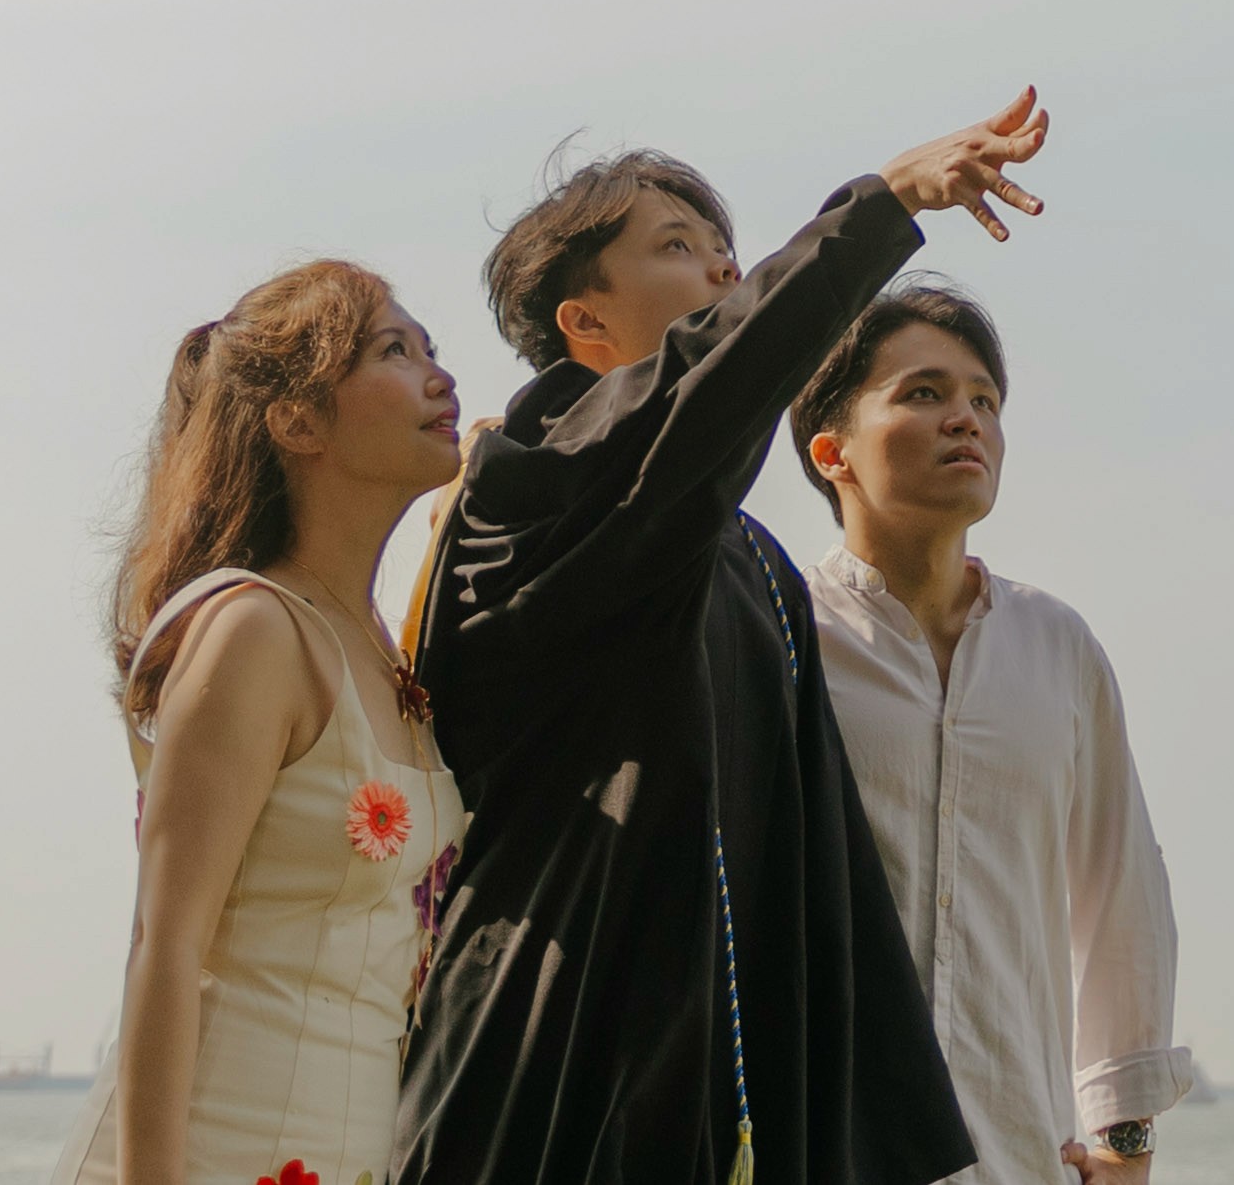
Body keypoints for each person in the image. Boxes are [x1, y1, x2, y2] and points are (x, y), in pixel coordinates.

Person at [398, 95, 1050, 1185]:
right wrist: (883, 207)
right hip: (548, 1064)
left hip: (722, 1102)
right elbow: (701, 397)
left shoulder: (751, 562)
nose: (719, 276)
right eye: (678, 248)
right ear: (585, 324)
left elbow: (815, 871)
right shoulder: (528, 484)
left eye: (726, 252)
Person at [61, 261, 468, 1185]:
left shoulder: (383, 648)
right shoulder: (255, 629)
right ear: (298, 420)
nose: (439, 375)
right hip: (205, 1151)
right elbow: (165, 945)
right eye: (393, 350)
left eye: (432, 349)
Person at [789, 282, 1194, 1185]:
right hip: (824, 1150)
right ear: (832, 451)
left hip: (1022, 1153)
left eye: (985, 399)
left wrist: (1125, 1141)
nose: (965, 419)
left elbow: (1123, 895)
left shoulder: (1057, 647)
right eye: (923, 393)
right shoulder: (778, 634)